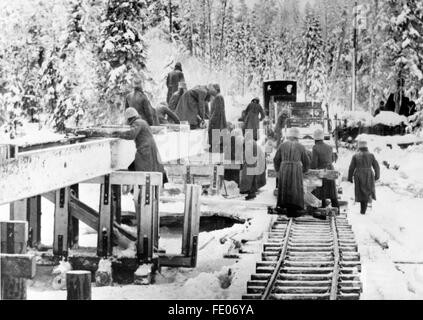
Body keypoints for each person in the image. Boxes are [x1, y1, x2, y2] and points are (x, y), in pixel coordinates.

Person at [118, 108, 167, 184]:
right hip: (149, 149)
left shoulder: (137, 123)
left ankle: (139, 191)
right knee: (148, 169)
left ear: (129, 118)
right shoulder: (142, 122)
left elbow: (131, 134)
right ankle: (139, 191)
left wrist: (117, 134)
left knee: (141, 172)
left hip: (145, 150)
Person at [273, 127, 310, 217]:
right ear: (297, 137)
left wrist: (278, 170)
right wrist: (304, 170)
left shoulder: (282, 145)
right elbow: (306, 161)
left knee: (285, 186)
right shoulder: (300, 146)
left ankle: (284, 205)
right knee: (295, 187)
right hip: (296, 169)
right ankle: (295, 207)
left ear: (289, 136)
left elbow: (276, 159)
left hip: (284, 168)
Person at [348, 140, 380, 215]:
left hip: (358, 174)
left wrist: (350, 177)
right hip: (368, 174)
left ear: (359, 146)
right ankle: (364, 209)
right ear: (366, 147)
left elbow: (351, 167)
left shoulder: (355, 155)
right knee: (367, 190)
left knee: (360, 191)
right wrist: (377, 175)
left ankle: (363, 209)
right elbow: (376, 166)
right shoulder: (371, 155)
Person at [311, 128, 339, 209]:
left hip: (321, 170)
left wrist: (310, 169)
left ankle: (322, 208)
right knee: (331, 191)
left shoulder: (315, 147)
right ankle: (336, 207)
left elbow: (314, 163)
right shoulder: (329, 147)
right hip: (330, 169)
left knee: (321, 190)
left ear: (315, 138)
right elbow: (332, 159)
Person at [240, 131, 267, 200]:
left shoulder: (249, 143)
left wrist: (243, 158)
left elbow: (248, 153)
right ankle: (251, 194)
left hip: (250, 163)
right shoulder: (253, 142)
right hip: (254, 163)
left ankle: (250, 193)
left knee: (248, 179)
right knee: (252, 180)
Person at [208, 84, 227, 152]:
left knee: (215, 131)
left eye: (212, 89)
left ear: (216, 89)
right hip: (219, 118)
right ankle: (217, 147)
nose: (211, 90)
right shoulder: (217, 97)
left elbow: (217, 110)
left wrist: (212, 120)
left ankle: (215, 147)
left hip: (218, 119)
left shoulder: (218, 97)